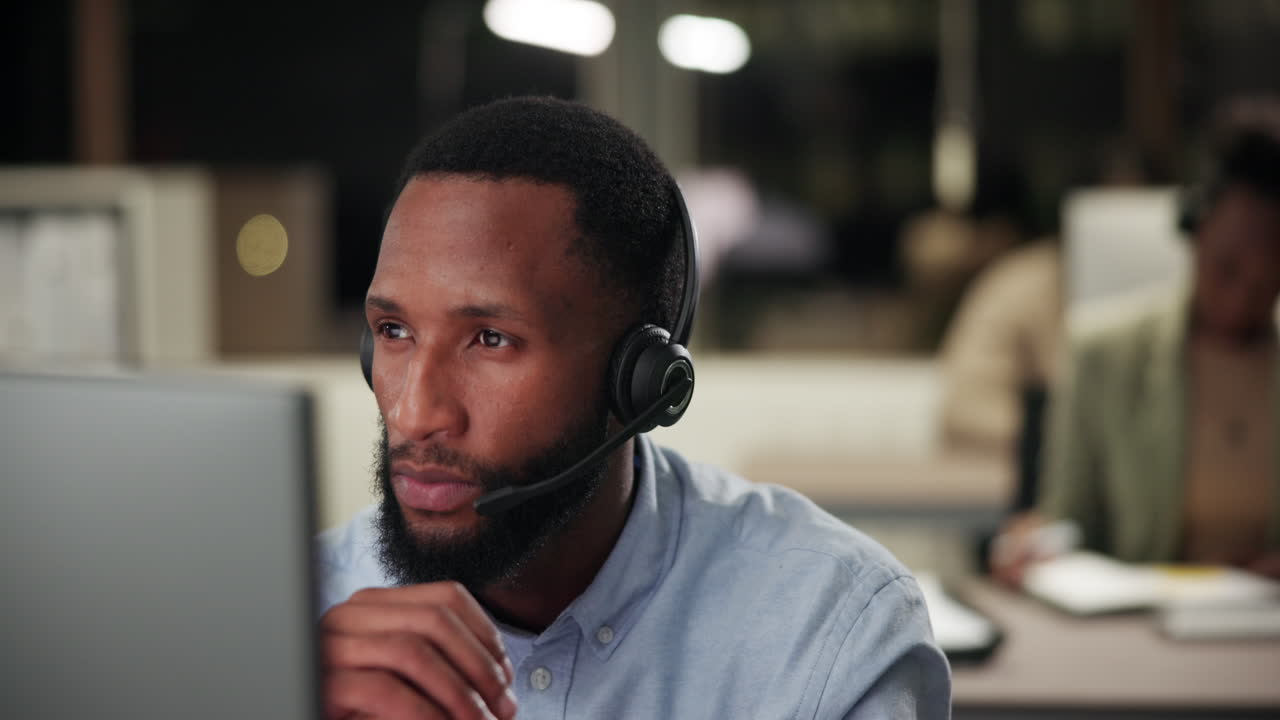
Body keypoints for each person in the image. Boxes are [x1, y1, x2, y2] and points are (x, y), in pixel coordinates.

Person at [315, 97, 951, 720]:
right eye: (395, 331)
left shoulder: (830, 635)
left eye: (491, 340)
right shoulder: (295, 621)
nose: (414, 413)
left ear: (640, 384)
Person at [991, 101, 1280, 586]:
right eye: (1227, 269)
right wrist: (1034, 545)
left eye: (1265, 280)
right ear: (1194, 232)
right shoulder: (1103, 353)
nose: (1239, 299)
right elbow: (1068, 520)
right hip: (1143, 629)